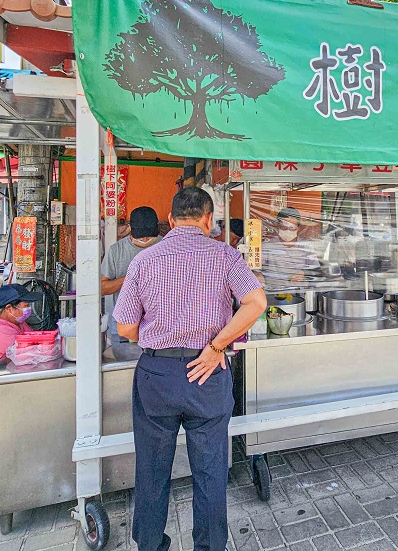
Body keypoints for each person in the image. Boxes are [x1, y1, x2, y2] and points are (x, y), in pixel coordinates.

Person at [114, 187, 266, 551]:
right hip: (207, 373)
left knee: (151, 470)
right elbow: (256, 302)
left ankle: (150, 545)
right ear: (208, 220)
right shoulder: (226, 255)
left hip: (157, 374)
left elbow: (124, 328)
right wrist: (216, 347)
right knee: (211, 473)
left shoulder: (144, 260)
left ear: (170, 220)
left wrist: (156, 332)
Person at [101, 207, 162, 354]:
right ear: (130, 229)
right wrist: (129, 277)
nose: (146, 240)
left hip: (158, 327)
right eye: (142, 236)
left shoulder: (165, 246)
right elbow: (102, 288)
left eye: (149, 236)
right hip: (123, 329)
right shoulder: (116, 250)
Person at [0, 284, 43, 364]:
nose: (28, 308)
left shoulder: (18, 322)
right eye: (26, 306)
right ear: (9, 308)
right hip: (7, 372)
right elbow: (22, 354)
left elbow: (35, 339)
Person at [260, 206, 320, 288]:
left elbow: (316, 270)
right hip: (274, 293)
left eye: (291, 228)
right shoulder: (267, 246)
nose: (287, 231)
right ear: (278, 226)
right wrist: (258, 274)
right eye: (284, 227)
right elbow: (255, 270)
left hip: (299, 292)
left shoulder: (306, 246)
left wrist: (304, 273)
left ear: (298, 227)